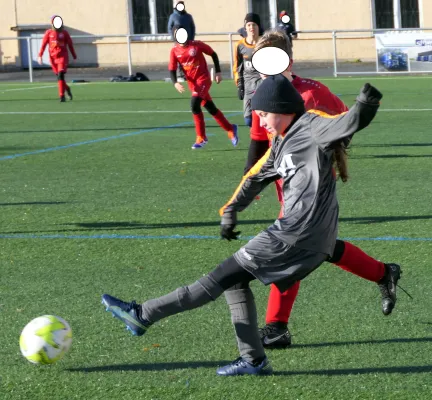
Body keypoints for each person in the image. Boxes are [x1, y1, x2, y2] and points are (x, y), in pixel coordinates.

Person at [101, 75, 386, 376]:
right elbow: (254, 177)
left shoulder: (311, 126)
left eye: (263, 114)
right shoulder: (281, 143)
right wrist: (232, 210)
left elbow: (351, 121)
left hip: (296, 234)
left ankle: (142, 315)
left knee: (219, 277)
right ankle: (253, 360)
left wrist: (366, 102)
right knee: (235, 282)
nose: (260, 121)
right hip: (304, 235)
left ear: (284, 108)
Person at [225, 29, 401, 348]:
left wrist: (326, 157)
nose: (263, 71)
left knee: (291, 246)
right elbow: (257, 143)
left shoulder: (313, 93)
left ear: (288, 61)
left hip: (312, 185)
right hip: (285, 182)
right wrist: (250, 185)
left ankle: (276, 326)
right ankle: (384, 273)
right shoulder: (263, 93)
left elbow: (344, 124)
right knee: (324, 247)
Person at [169, 25, 238, 149]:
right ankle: (230, 128)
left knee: (194, 104)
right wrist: (175, 82)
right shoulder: (174, 51)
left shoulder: (196, 45)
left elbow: (213, 54)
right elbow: (172, 69)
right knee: (211, 108)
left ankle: (201, 137)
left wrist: (218, 72)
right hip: (193, 85)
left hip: (204, 80)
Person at [233, 13, 263, 128]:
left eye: (254, 25)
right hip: (248, 86)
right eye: (249, 25)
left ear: (258, 27)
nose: (251, 27)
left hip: (262, 84)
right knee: (248, 121)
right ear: (245, 27)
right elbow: (237, 67)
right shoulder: (239, 45)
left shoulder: (265, 44)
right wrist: (239, 84)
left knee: (264, 117)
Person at [38, 16, 77, 102]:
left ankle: (61, 96)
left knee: (60, 75)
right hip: (53, 58)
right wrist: (40, 55)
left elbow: (70, 45)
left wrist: (74, 56)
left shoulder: (65, 33)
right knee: (59, 78)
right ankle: (67, 88)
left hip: (62, 57)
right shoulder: (48, 33)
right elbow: (43, 45)